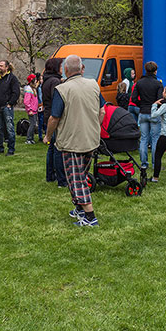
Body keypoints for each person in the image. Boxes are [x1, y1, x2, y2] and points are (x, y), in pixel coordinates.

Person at [45, 55, 105, 227]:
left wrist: (48, 136)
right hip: (91, 139)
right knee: (81, 174)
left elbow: (54, 118)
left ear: (65, 70)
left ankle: (90, 217)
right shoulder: (94, 85)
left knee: (76, 178)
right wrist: (95, 127)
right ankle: (79, 208)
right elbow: (102, 111)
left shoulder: (62, 89)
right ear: (82, 68)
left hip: (72, 142)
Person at [132, 61, 163, 172]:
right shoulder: (158, 84)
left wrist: (142, 105)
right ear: (155, 70)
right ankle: (155, 164)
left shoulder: (139, 83)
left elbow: (134, 98)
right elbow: (160, 100)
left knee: (144, 139)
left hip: (143, 112)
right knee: (155, 139)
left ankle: (144, 163)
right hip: (154, 113)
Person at [42, 57, 66, 185]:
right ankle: (61, 178)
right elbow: (57, 98)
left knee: (52, 147)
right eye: (61, 66)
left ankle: (50, 175)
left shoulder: (48, 80)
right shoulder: (55, 82)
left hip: (48, 114)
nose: (63, 69)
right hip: (54, 115)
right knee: (57, 147)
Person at [0, 60, 21, 155]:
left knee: (9, 128)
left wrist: (10, 103)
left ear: (6, 67)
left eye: (1, 66)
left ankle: (11, 149)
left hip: (6, 107)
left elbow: (16, 92)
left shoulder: (12, 78)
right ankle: (0, 148)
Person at [23, 74, 39, 144]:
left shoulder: (33, 89)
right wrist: (30, 109)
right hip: (31, 110)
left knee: (34, 124)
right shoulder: (29, 90)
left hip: (35, 110)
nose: (36, 81)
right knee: (32, 124)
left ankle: (31, 138)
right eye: (35, 80)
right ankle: (29, 138)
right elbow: (26, 101)